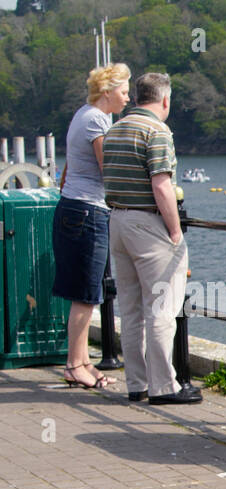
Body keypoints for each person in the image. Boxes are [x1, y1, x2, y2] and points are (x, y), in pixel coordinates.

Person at [102, 72, 200, 405]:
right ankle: (164, 387)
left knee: (129, 309)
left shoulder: (114, 129)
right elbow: (161, 185)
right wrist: (175, 231)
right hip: (147, 224)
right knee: (161, 306)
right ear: (165, 100)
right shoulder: (156, 131)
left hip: (116, 220)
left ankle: (137, 383)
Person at [51, 63, 131, 389]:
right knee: (85, 294)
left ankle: (84, 361)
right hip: (87, 213)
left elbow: (68, 170)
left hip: (74, 208)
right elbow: (107, 168)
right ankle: (74, 364)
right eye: (124, 91)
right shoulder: (97, 120)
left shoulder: (83, 115)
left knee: (86, 291)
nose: (127, 99)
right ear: (108, 91)